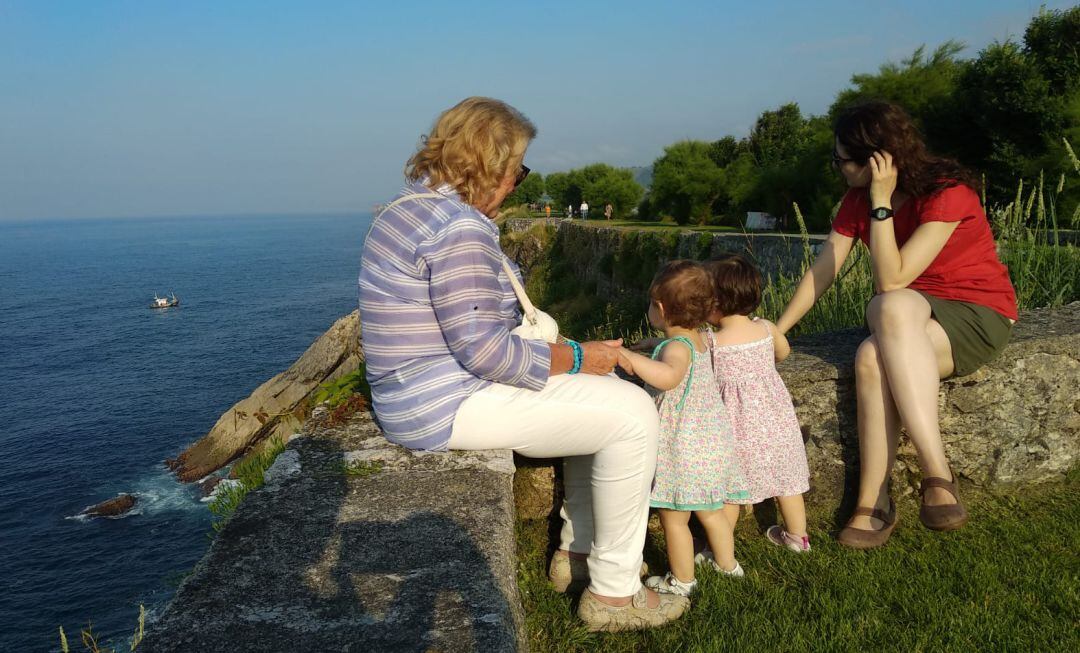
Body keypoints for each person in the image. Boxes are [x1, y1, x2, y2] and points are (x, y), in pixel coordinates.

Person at [357, 97, 688, 630]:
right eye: (517, 170)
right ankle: (614, 594)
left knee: (603, 401)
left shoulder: (403, 209)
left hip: (410, 394)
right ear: (489, 165)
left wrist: (578, 364)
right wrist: (581, 355)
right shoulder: (460, 229)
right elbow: (485, 352)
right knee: (633, 416)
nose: (517, 184)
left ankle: (577, 556)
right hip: (445, 402)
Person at [775, 101, 1017, 548]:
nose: (838, 168)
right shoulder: (854, 201)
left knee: (889, 305)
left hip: (974, 314)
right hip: (908, 320)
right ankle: (876, 495)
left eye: (842, 159)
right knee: (870, 354)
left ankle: (932, 469)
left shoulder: (948, 192)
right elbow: (824, 268)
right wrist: (779, 328)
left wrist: (881, 203)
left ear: (877, 158)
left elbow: (892, 278)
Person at [618, 260, 749, 597]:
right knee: (712, 512)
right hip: (711, 444)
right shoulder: (701, 339)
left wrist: (631, 360)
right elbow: (677, 352)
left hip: (684, 450)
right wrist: (652, 346)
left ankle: (682, 580)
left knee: (674, 518)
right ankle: (728, 565)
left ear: (660, 308)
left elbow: (669, 375)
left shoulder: (675, 349)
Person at [705, 255, 810, 552]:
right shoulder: (765, 329)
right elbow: (784, 353)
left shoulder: (712, 343)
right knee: (788, 485)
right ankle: (797, 538)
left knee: (731, 494)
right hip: (777, 427)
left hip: (736, 432)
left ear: (715, 303)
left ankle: (719, 549)